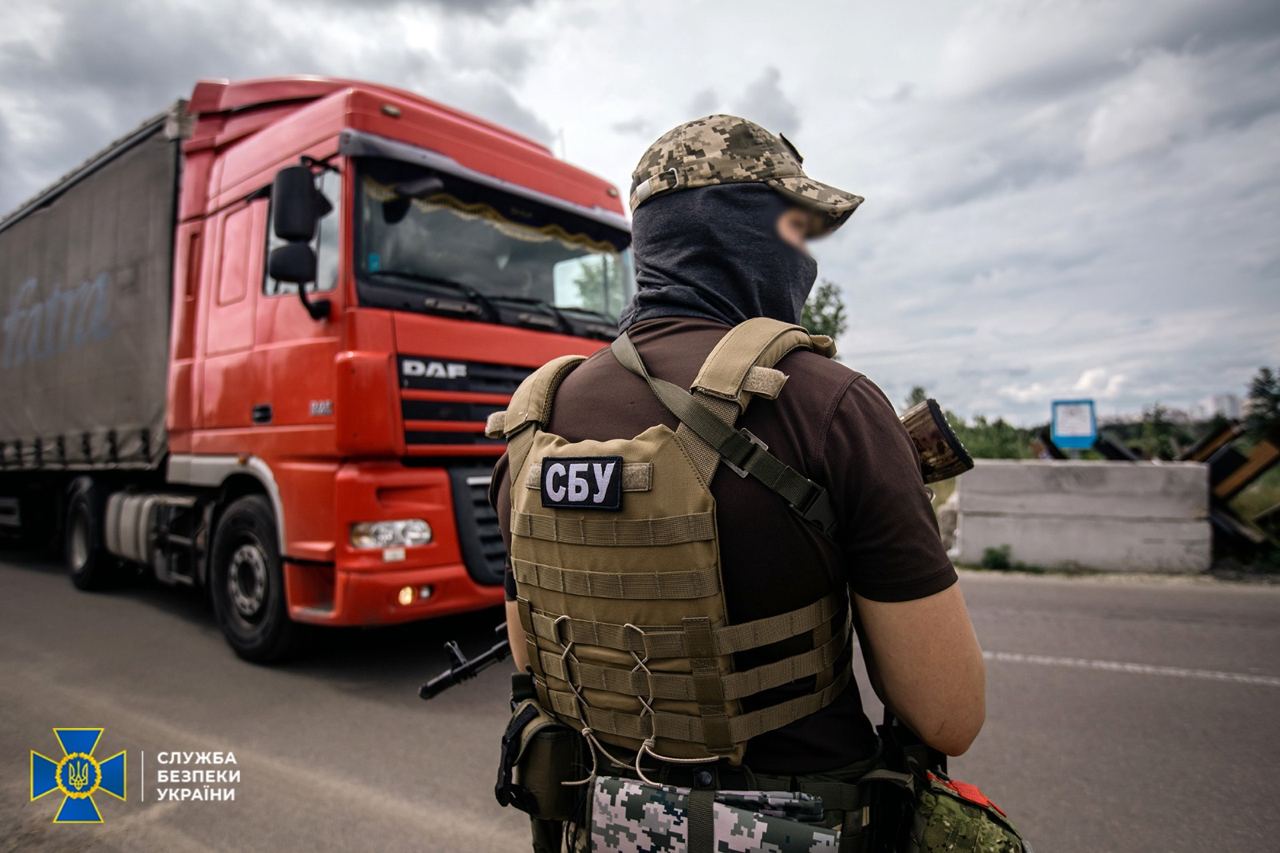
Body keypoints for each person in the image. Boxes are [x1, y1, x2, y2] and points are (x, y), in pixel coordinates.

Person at [489, 115, 986, 850]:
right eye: (799, 232)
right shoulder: (833, 406)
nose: (807, 258)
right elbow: (948, 715)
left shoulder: (533, 422)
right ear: (754, 235)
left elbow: (535, 666)